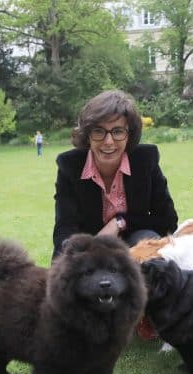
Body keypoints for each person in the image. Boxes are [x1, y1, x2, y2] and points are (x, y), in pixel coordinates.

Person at [52, 90, 179, 259]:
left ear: (129, 135)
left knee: (149, 242)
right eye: (99, 131)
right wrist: (73, 255)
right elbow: (65, 227)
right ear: (87, 135)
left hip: (135, 243)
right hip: (90, 246)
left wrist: (120, 222)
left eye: (118, 131)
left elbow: (167, 220)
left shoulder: (145, 160)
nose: (108, 142)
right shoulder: (70, 165)